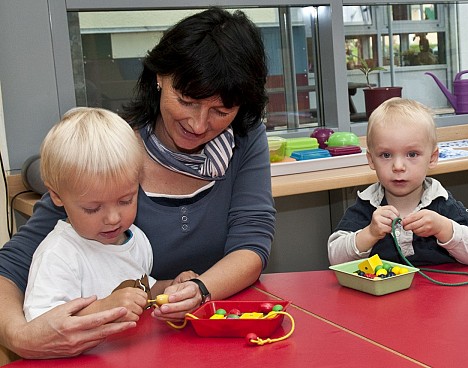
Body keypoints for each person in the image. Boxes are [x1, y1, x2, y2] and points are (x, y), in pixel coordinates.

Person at [0, 7, 275, 361]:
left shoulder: (245, 138)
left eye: (220, 111)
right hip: (126, 350)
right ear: (160, 77)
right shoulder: (112, 150)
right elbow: (12, 265)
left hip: (207, 341)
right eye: (187, 101)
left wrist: (200, 289)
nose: (198, 123)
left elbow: (252, 244)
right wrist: (18, 335)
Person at [23, 107, 198, 322]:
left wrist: (172, 287)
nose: (114, 218)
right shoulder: (59, 255)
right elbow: (39, 321)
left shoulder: (135, 240)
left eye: (126, 201)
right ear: (57, 196)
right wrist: (103, 307)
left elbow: (143, 292)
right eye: (93, 208)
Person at [328, 98, 468, 267]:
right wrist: (370, 233)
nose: (398, 167)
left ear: (432, 158)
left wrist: (443, 228)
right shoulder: (367, 206)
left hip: (439, 292)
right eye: (386, 155)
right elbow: (335, 258)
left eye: (412, 154)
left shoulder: (442, 203)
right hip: (385, 293)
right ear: (371, 160)